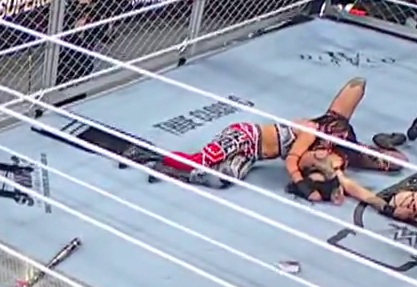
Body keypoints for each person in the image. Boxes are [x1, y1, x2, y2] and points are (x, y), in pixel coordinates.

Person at [162, 78, 404, 199]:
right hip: (245, 136)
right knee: (204, 159)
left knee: (225, 178)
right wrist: (300, 182)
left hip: (253, 155)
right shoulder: (312, 131)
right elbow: (358, 84)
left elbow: (396, 163)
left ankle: (172, 172)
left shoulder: (341, 154)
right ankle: (155, 154)